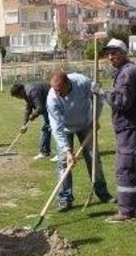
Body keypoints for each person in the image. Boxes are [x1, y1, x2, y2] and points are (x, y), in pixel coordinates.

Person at [100, 38, 136, 223]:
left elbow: (122, 103)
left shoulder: (127, 73)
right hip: (133, 125)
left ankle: (126, 212)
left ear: (124, 52)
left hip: (129, 126)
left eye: (115, 52)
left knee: (125, 168)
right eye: (109, 53)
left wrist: (103, 94)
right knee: (133, 167)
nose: (111, 57)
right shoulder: (130, 70)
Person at [46, 71, 112, 211]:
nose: (57, 92)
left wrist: (95, 118)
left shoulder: (82, 82)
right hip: (64, 129)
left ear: (67, 83)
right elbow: (56, 127)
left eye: (59, 89)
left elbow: (99, 98)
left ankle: (103, 193)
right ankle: (65, 199)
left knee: (94, 158)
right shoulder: (52, 98)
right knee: (64, 163)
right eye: (54, 89)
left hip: (85, 124)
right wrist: (68, 151)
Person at [10, 82, 54, 160]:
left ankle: (55, 153)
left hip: (53, 104)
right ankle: (45, 152)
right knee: (46, 129)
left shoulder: (32, 91)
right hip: (48, 105)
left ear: (20, 92)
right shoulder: (26, 93)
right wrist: (24, 124)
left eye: (18, 97)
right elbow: (28, 108)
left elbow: (40, 108)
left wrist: (33, 115)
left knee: (49, 128)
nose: (19, 98)